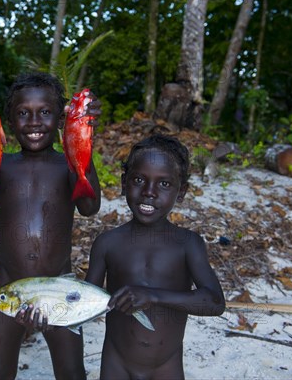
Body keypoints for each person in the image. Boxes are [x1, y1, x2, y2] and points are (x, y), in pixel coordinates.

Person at [0, 72, 102, 379]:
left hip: (58, 288)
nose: (34, 122)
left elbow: (90, 207)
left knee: (72, 372)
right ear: (8, 120)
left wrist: (83, 138)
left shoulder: (66, 165)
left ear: (61, 119)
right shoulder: (3, 164)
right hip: (7, 287)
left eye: (45, 113)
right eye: (23, 114)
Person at [85, 134, 226, 379]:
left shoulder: (187, 244)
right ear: (124, 182)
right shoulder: (108, 243)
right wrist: (48, 311)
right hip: (116, 364)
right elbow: (84, 302)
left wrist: (152, 296)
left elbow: (214, 302)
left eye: (164, 184)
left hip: (166, 368)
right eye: (139, 179)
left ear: (181, 192)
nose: (149, 192)